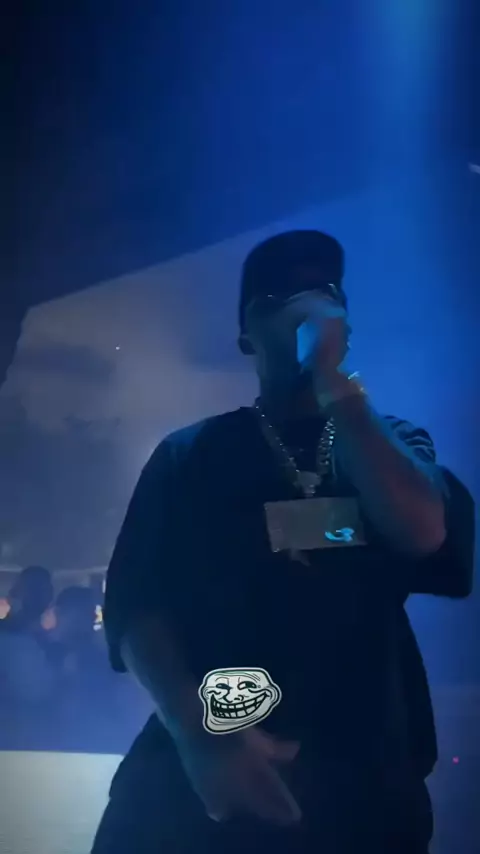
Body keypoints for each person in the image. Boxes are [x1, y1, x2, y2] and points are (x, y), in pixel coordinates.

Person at [91, 231, 475, 854]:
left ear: (345, 324)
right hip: (195, 788)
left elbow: (423, 531)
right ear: (246, 335)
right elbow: (138, 606)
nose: (303, 310)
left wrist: (335, 386)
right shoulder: (189, 454)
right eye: (276, 300)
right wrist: (199, 734)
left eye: (322, 294)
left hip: (362, 784)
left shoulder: (392, 442)